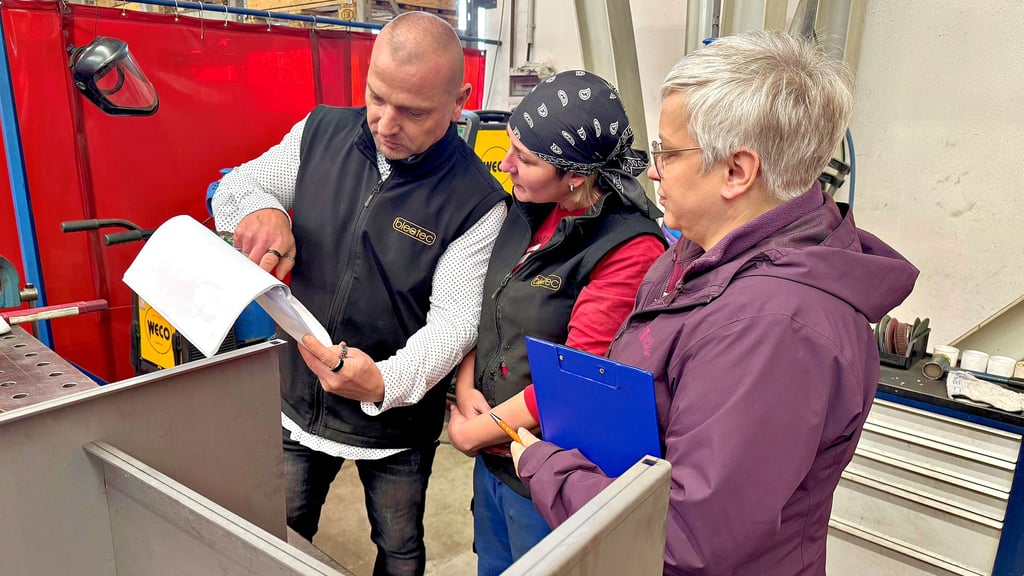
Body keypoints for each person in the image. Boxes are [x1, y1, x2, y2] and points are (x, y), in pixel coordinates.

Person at [510, 31, 920, 575]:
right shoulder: (699, 256)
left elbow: (684, 537)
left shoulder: (775, 330)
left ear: (736, 171)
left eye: (668, 152)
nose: (652, 171)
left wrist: (544, 465)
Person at [211, 12, 507, 576]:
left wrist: (383, 382)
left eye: (413, 111)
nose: (385, 123)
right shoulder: (320, 131)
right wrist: (264, 210)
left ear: (460, 99)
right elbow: (239, 184)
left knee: (398, 548)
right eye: (376, 96)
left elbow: (453, 324)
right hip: (296, 401)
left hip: (392, 425)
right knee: (280, 536)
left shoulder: (476, 200)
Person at [445, 70, 666, 575]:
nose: (506, 165)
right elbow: (490, 308)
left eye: (524, 158)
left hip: (547, 472)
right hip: (495, 455)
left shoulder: (626, 248)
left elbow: (575, 376)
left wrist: (474, 432)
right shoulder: (527, 209)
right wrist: (464, 389)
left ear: (575, 175)